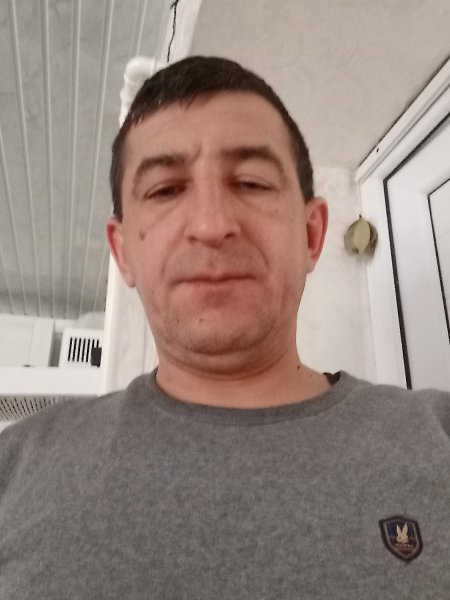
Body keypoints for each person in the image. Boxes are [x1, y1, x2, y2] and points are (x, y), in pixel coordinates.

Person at [0, 56, 449, 599]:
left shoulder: (439, 435)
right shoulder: (14, 466)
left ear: (311, 235)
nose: (212, 225)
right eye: (165, 190)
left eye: (252, 183)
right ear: (123, 253)